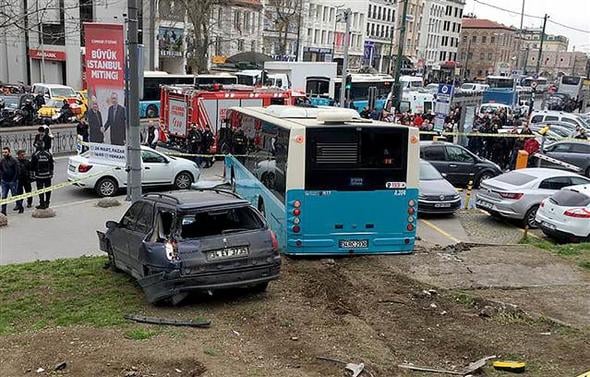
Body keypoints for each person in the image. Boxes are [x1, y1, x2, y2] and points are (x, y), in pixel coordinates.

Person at [31, 142, 54, 209]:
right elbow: (51, 164)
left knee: (40, 191)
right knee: (48, 190)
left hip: (39, 176)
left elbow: (32, 166)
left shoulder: (35, 155)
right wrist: (51, 173)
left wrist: (32, 175)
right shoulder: (48, 154)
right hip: (47, 176)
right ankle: (47, 203)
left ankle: (42, 204)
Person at [0, 147, 20, 215]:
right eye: (3, 152)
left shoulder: (14, 160)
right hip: (4, 181)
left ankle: (20, 206)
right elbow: (0, 170)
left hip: (12, 181)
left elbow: (17, 171)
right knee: (3, 196)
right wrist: (1, 178)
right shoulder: (2, 161)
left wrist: (14, 180)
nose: (4, 154)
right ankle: (3, 211)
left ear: (9, 152)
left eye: (5, 152)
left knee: (14, 194)